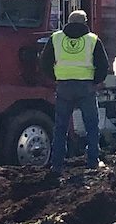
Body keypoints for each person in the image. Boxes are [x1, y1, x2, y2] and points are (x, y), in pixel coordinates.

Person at [39, 10, 109, 174]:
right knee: (91, 126)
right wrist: (95, 82)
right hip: (86, 87)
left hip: (64, 87)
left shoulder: (56, 38)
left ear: (68, 22)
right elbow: (103, 65)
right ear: (85, 22)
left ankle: (57, 165)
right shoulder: (92, 40)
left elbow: (44, 62)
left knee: (61, 127)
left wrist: (56, 77)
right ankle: (93, 162)